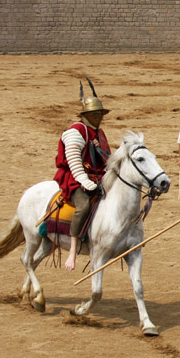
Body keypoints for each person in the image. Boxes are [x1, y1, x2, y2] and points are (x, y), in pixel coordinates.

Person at [54, 81, 111, 271]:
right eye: (95, 114)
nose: (98, 117)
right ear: (86, 115)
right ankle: (72, 250)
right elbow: (73, 160)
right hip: (74, 178)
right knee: (84, 205)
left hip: (98, 177)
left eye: (100, 114)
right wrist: (85, 181)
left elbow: (106, 158)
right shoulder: (75, 131)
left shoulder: (99, 133)